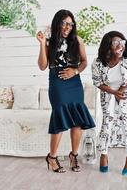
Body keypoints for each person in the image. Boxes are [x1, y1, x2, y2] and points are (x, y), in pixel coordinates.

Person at [36, 9, 95, 173]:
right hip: (57, 84)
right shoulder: (50, 42)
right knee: (60, 118)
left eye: (70, 24)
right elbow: (42, 66)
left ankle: (74, 155)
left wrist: (74, 71)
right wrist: (42, 44)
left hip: (74, 84)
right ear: (58, 23)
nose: (67, 27)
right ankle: (52, 157)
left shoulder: (77, 40)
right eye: (64, 23)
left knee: (77, 120)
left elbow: (84, 62)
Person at [91, 31, 127, 176]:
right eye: (116, 43)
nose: (120, 46)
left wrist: (121, 91)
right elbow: (98, 82)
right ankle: (103, 154)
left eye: (122, 42)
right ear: (108, 46)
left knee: (126, 123)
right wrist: (113, 93)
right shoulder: (98, 63)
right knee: (107, 124)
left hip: (126, 91)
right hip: (108, 92)